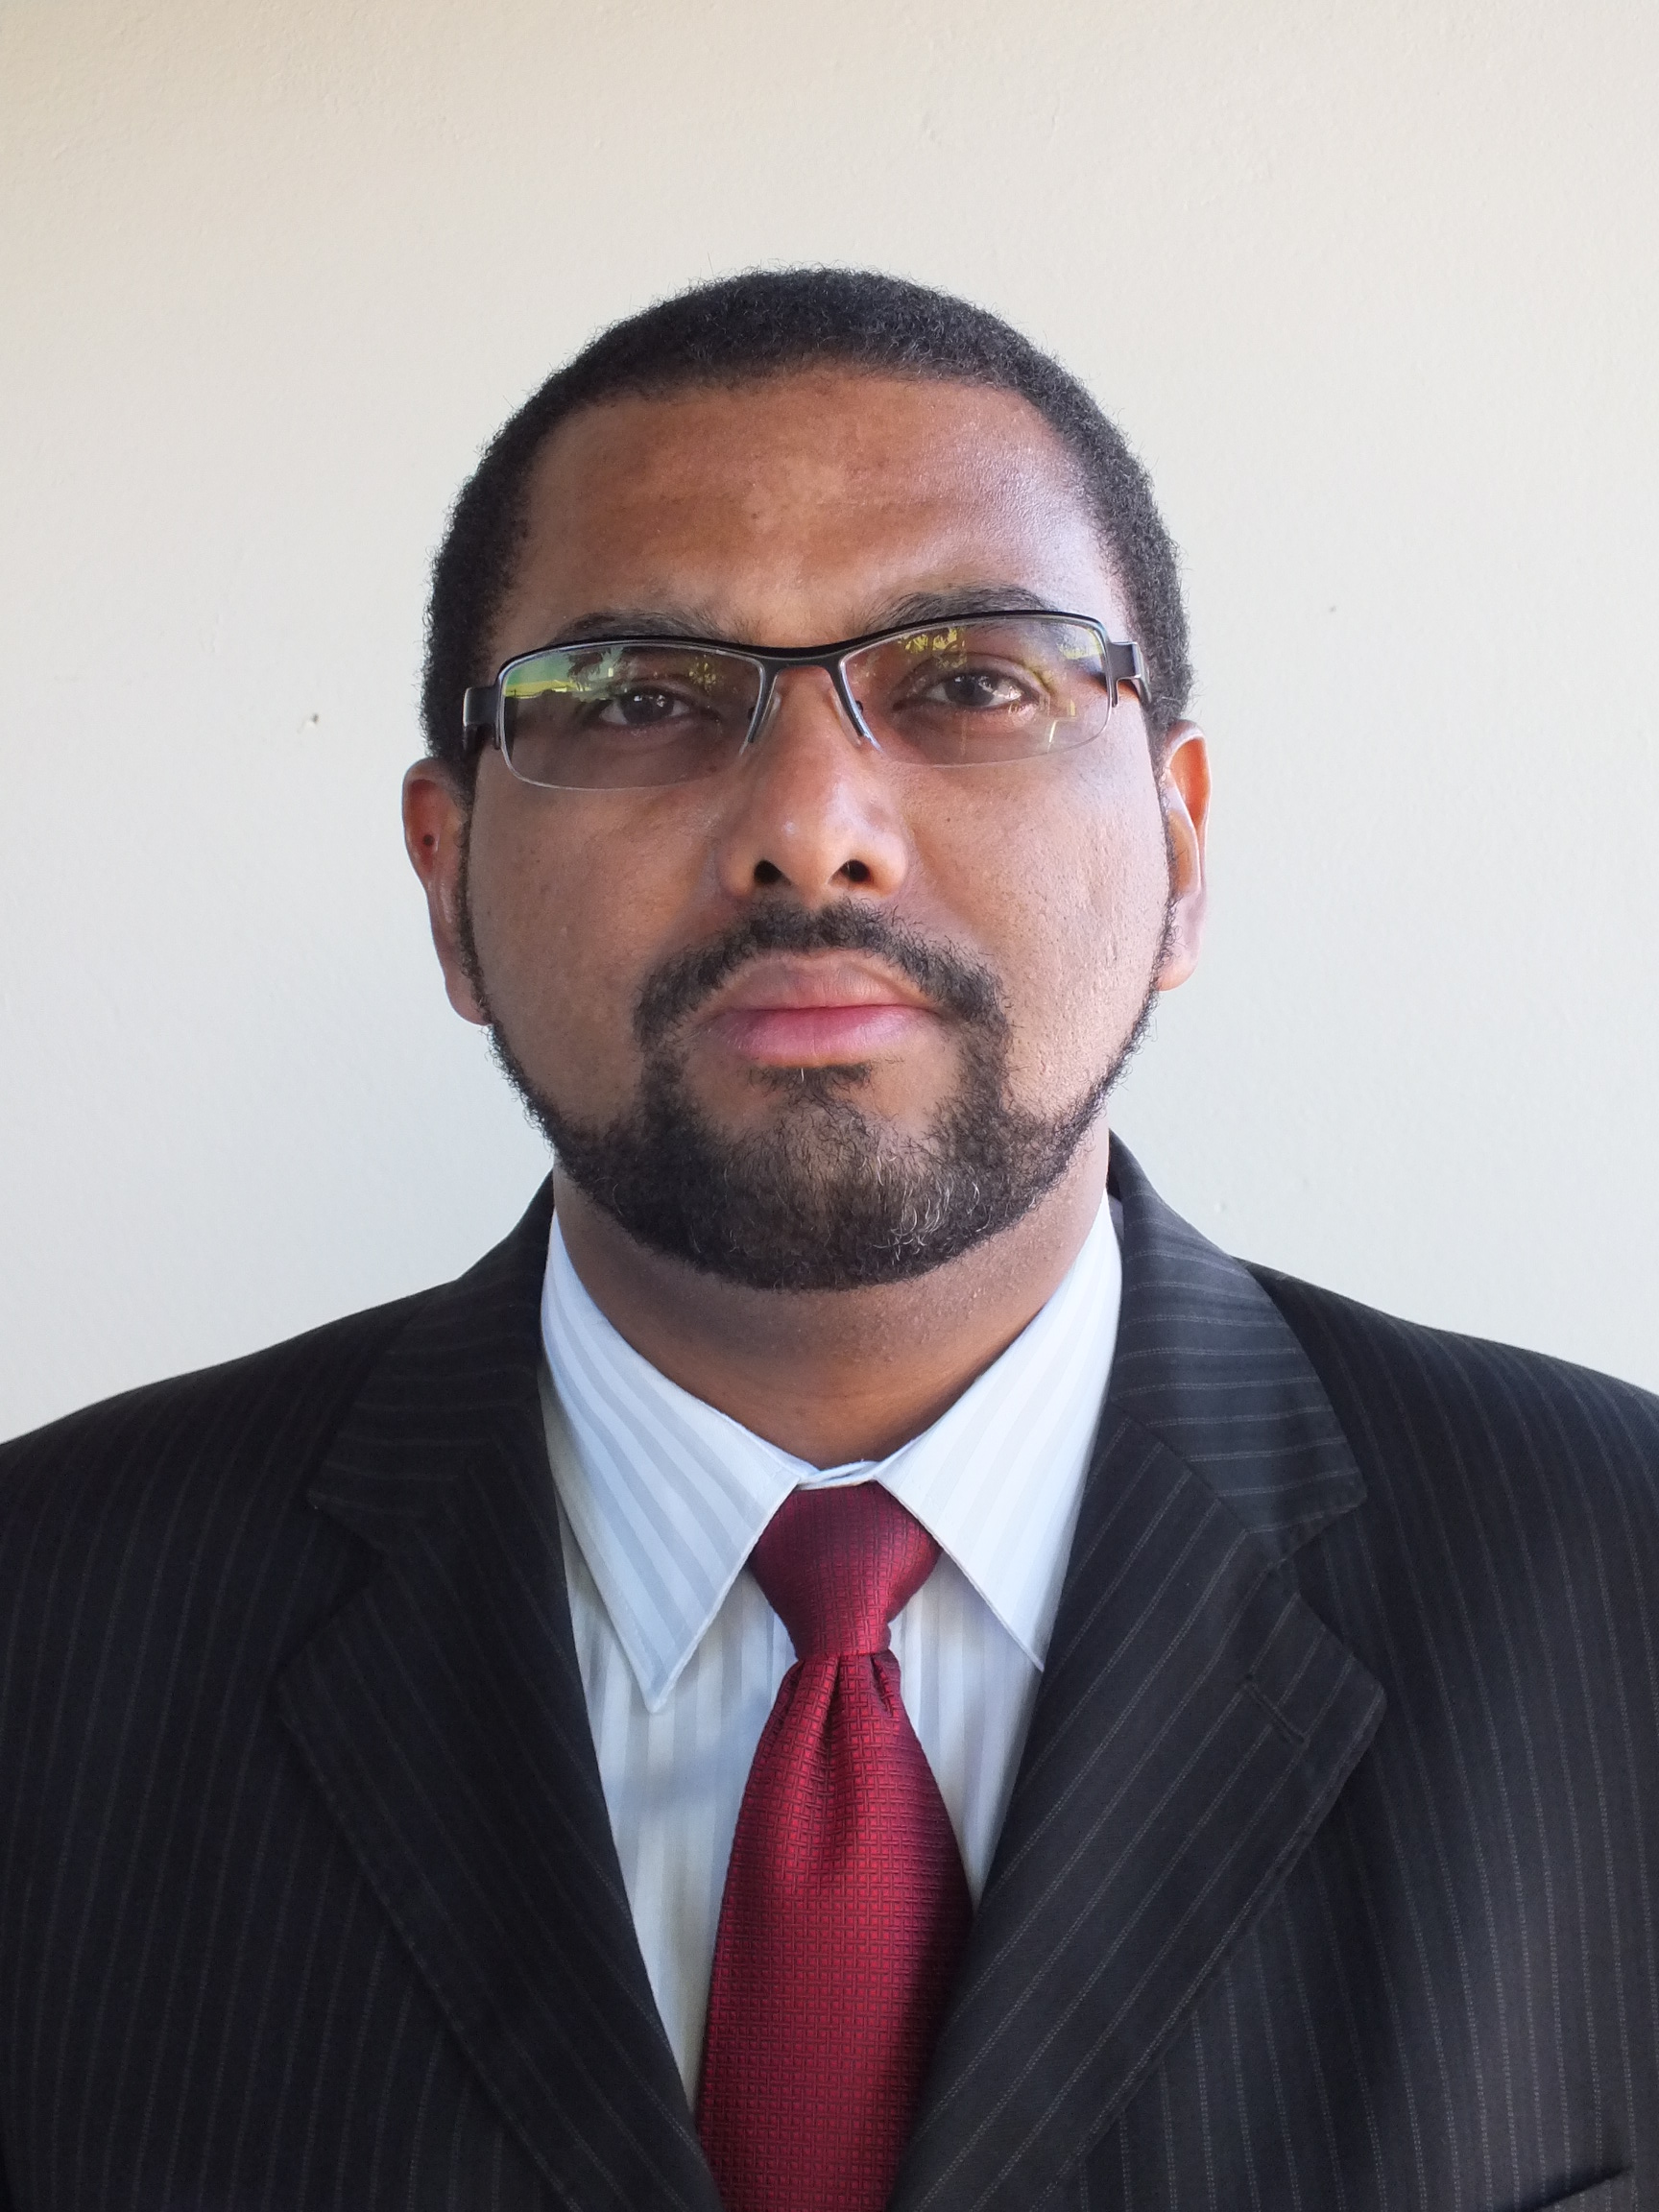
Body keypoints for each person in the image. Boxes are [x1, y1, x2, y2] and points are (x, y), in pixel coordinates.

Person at [1, 269, 1655, 2212]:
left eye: (974, 682)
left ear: (1181, 849)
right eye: (640, 698)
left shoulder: (1617, 1586)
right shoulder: (47, 1632)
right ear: (449, 883)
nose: (812, 825)